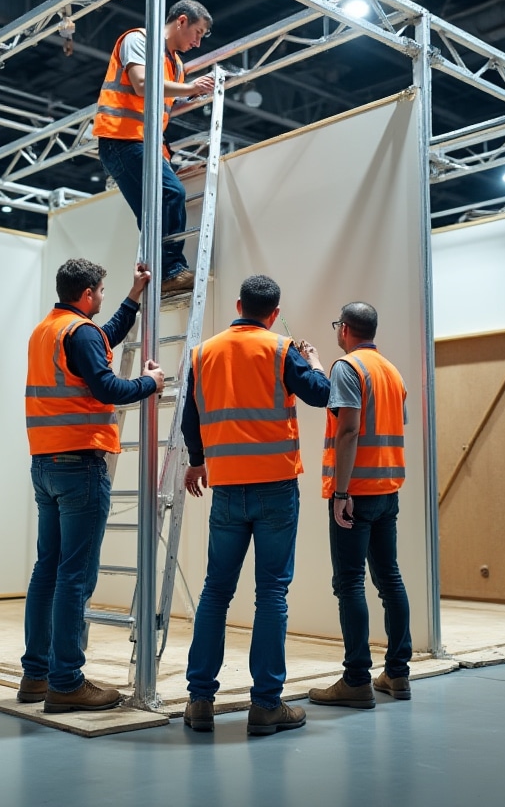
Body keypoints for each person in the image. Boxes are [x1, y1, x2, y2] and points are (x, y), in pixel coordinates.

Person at [181, 275, 330, 737]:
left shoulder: (203, 353)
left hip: (226, 487)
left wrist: (197, 462)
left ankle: (199, 701)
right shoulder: (281, 349)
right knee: (271, 594)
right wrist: (315, 361)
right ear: (274, 312)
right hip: (275, 488)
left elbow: (190, 417)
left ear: (238, 305)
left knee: (215, 591)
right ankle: (266, 705)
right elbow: (322, 394)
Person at [18, 258, 165, 713]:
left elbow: (102, 341)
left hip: (46, 464)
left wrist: (133, 296)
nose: (102, 297)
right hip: (79, 465)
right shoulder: (79, 333)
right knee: (74, 576)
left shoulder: (49, 330)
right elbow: (106, 387)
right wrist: (149, 383)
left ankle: (36, 675)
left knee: (48, 570)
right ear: (87, 295)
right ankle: (66, 682)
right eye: (101, 291)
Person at [308, 302, 412, 710]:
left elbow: (349, 429)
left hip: (355, 493)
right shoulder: (391, 371)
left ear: (345, 329)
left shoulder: (348, 368)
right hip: (387, 490)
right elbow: (391, 425)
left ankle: (356, 680)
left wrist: (341, 492)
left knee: (350, 583)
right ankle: (397, 674)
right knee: (390, 580)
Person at [93, 0, 215, 296]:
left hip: (144, 144)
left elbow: (163, 100)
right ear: (181, 20)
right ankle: (170, 271)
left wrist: (190, 94)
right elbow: (142, 83)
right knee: (171, 194)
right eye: (197, 33)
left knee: (153, 214)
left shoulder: (176, 65)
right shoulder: (140, 40)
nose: (197, 43)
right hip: (122, 139)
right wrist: (191, 88)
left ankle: (159, 271)